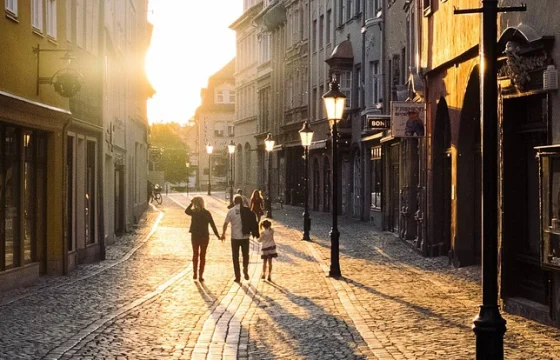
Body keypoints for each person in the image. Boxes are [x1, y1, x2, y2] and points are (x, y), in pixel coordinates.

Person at [222, 194, 259, 282]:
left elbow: (225, 223)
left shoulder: (231, 211)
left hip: (235, 237)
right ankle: (245, 268)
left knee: (235, 257)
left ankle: (237, 277)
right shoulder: (247, 210)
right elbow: (254, 220)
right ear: (241, 201)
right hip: (245, 237)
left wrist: (223, 233)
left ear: (234, 201)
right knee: (245, 255)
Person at [185, 196, 221, 282]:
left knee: (195, 254)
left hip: (195, 236)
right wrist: (217, 235)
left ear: (195, 204)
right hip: (204, 236)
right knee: (202, 256)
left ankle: (195, 273)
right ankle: (200, 275)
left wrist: (191, 203)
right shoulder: (207, 213)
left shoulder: (193, 212)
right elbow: (212, 224)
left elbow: (186, 211)